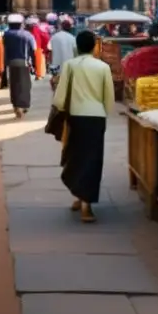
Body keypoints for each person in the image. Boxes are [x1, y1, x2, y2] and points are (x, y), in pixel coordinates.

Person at [52, 30, 114, 223]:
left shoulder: (70, 66)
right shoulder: (103, 67)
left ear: (77, 47)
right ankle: (85, 202)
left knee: (76, 157)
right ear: (95, 46)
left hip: (76, 117)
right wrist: (103, 115)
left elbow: (60, 97)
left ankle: (80, 198)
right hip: (96, 117)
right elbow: (109, 98)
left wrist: (60, 111)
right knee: (93, 160)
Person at [3, 14, 37, 118]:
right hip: (24, 62)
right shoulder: (27, 35)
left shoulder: (7, 34)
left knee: (14, 85)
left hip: (11, 62)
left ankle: (16, 105)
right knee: (25, 85)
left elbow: (5, 49)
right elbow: (33, 50)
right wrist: (34, 64)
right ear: (21, 24)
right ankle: (24, 105)